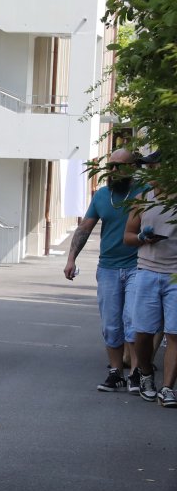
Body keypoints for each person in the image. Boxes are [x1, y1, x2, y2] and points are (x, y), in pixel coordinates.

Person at [64, 147, 144, 392]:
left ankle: (136, 373)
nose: (114, 170)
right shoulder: (101, 195)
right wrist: (71, 259)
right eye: (110, 166)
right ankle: (115, 372)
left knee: (133, 321)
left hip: (138, 267)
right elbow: (84, 229)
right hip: (108, 268)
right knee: (111, 324)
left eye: (119, 166)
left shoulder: (144, 193)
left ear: (132, 168)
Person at [123, 180, 177, 406]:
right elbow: (128, 236)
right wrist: (141, 238)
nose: (151, 171)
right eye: (149, 166)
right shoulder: (142, 200)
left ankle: (167, 388)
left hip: (175, 274)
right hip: (147, 271)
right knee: (143, 333)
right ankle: (145, 374)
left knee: (174, 333)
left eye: (156, 166)